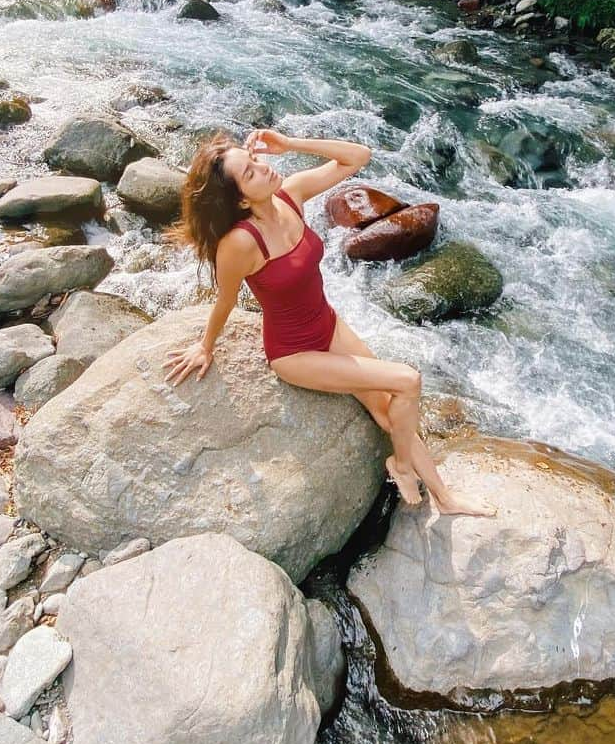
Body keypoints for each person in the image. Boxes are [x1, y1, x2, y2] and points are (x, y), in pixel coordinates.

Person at [163, 127, 494, 516]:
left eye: (254, 160)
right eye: (250, 173)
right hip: (294, 353)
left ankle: (446, 498)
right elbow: (226, 300)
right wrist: (205, 346)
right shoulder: (240, 243)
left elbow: (358, 156)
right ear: (238, 201)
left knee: (390, 408)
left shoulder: (291, 195)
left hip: (329, 325)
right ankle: (401, 466)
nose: (263, 168)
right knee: (408, 381)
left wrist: (290, 144)